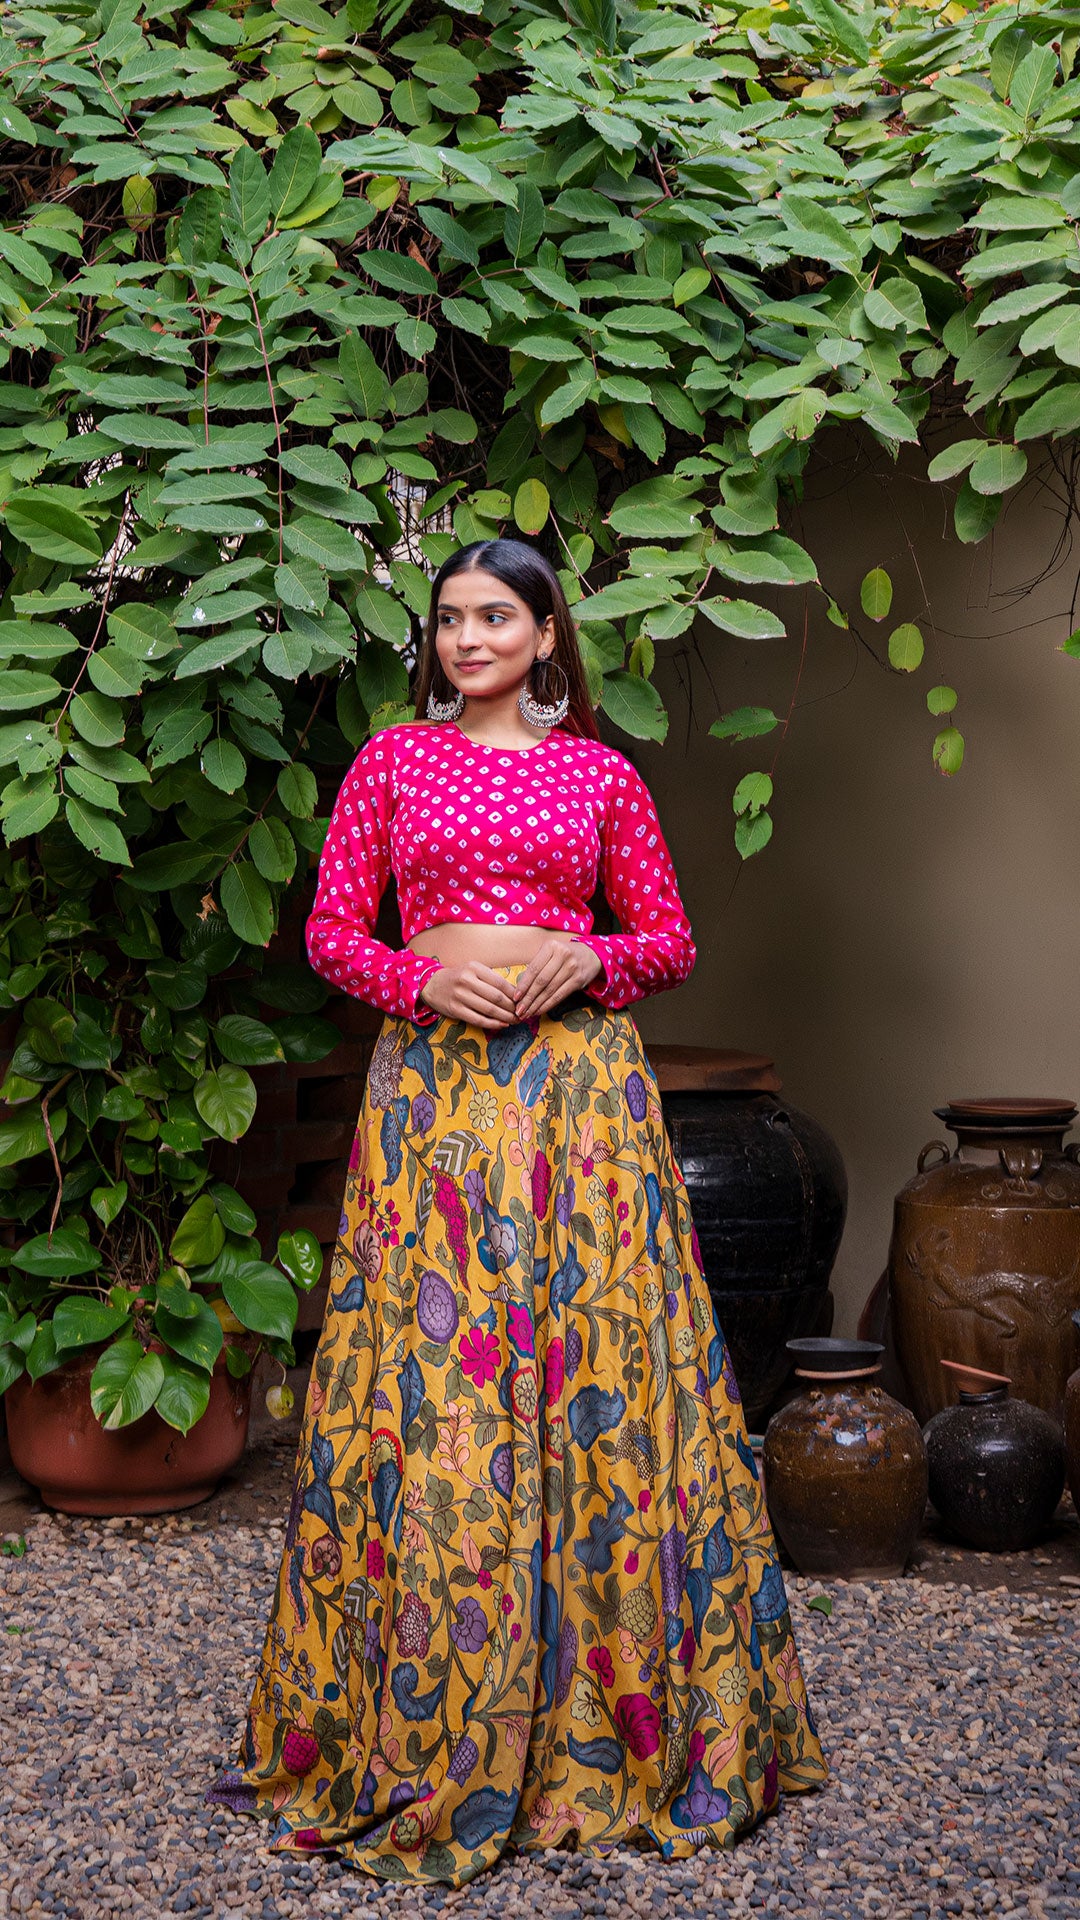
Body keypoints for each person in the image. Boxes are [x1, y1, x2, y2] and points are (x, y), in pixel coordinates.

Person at [206, 538, 827, 1885]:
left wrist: (575, 959)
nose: (468, 636)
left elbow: (665, 940)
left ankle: (612, 1723)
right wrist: (420, 986)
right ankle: (426, 1713)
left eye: (497, 615)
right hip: (437, 1104)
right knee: (437, 1376)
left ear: (548, 636)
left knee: (595, 1366)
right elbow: (331, 934)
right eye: (450, 617)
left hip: (577, 1106)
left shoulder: (602, 775)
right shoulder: (392, 762)